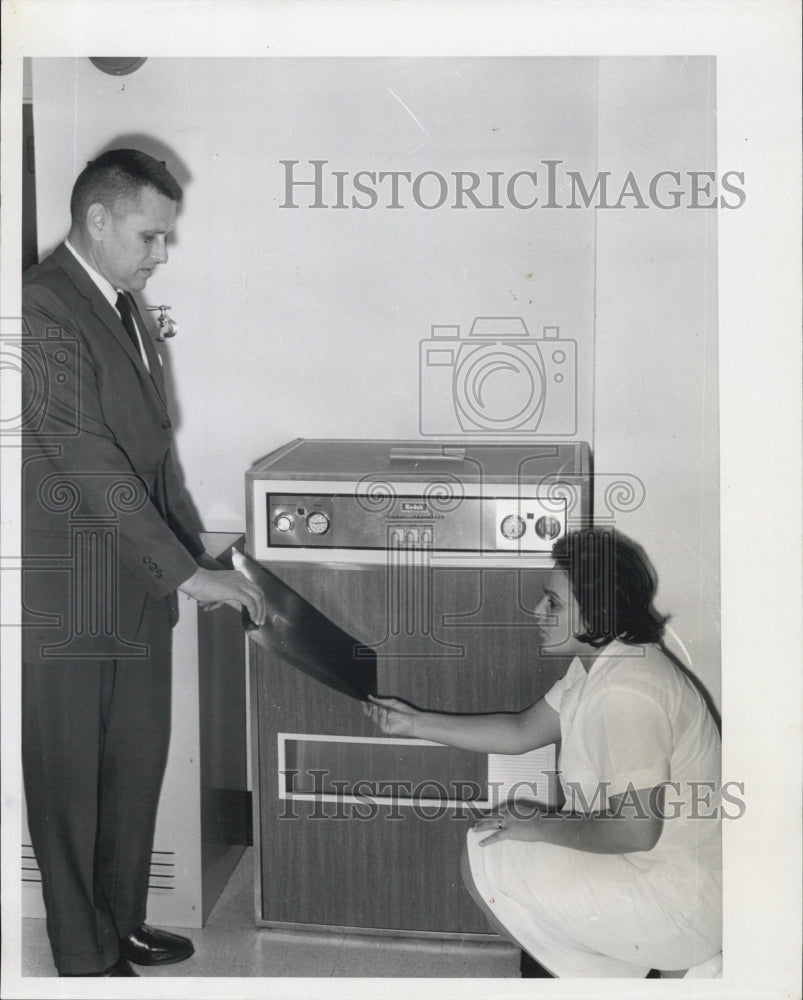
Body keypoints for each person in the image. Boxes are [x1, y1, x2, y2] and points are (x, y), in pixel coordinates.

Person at [21, 148, 266, 977]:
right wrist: (190, 573)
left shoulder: (120, 303)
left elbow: (152, 458)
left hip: (137, 582)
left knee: (132, 767)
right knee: (70, 778)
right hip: (77, 587)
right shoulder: (40, 308)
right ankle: (82, 957)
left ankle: (120, 923)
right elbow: (87, 458)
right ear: (98, 219)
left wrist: (196, 551)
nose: (161, 254)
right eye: (150, 236)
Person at [364, 528, 722, 978]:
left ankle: (645, 976)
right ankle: (624, 973)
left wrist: (540, 825)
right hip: (661, 882)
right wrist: (412, 722)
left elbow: (635, 832)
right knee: (501, 832)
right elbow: (520, 730)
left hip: (678, 909)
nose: (536, 611)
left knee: (490, 851)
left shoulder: (629, 692)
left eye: (552, 603)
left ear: (596, 615)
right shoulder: (606, 662)